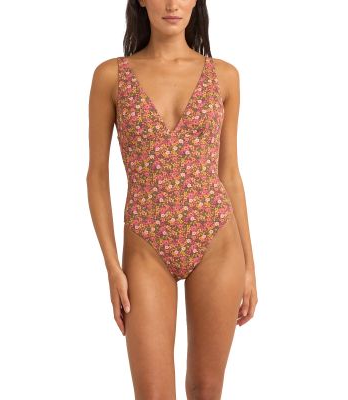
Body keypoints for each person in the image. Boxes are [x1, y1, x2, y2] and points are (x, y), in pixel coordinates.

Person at [86, 0, 257, 398]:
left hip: (218, 242)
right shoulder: (111, 76)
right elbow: (97, 175)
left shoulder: (224, 76)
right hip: (146, 246)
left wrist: (250, 266)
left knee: (206, 388)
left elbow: (230, 174)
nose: (171, 4)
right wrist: (112, 266)